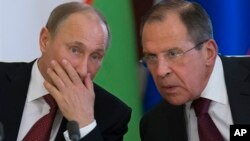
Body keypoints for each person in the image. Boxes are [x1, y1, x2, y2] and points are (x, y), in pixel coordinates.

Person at [0, 2, 131, 141]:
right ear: (45, 40)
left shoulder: (111, 115)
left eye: (95, 56)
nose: (83, 70)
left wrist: (84, 123)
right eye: (75, 50)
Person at [139, 0, 250, 141]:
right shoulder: (155, 126)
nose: (161, 71)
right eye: (152, 57)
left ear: (209, 52)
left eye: (173, 54)